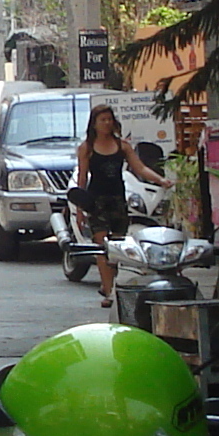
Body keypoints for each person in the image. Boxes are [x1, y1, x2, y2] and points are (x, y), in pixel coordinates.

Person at [76, 103, 136, 310]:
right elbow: (81, 179)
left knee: (117, 248)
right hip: (96, 202)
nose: (107, 123)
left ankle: (109, 284)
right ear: (94, 124)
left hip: (118, 201)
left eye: (110, 119)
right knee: (102, 246)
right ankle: (110, 292)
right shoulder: (87, 148)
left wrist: (161, 181)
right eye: (102, 120)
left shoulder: (123, 146)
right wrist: (79, 209)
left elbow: (140, 168)